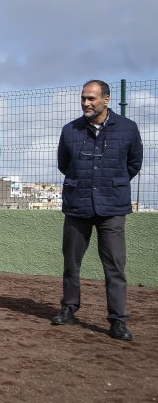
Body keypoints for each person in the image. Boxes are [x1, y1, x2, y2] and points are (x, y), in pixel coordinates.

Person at [52, 80, 143, 341]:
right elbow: (64, 164)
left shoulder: (128, 129)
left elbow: (134, 164)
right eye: (83, 98)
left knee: (114, 265)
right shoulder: (70, 130)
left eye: (91, 98)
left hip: (112, 207)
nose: (86, 103)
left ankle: (117, 320)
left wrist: (111, 184)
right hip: (77, 205)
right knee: (71, 263)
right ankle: (69, 309)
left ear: (106, 99)